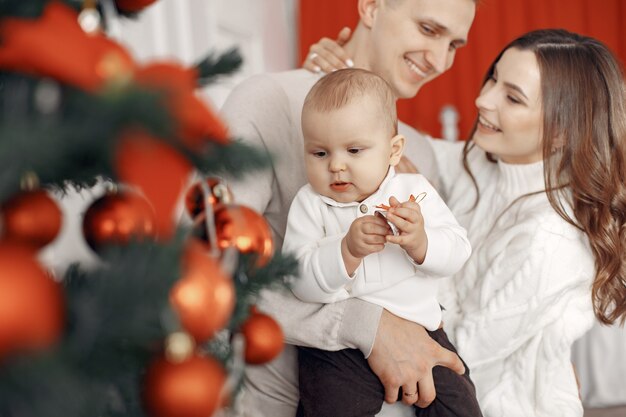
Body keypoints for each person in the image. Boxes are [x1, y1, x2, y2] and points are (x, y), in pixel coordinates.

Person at [302, 28, 626, 416]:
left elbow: (462, 350)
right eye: (493, 78)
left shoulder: (551, 239)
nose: (482, 99)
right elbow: (377, 137)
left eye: (512, 97)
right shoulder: (482, 164)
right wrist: (337, 72)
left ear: (561, 133)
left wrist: (376, 318)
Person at [220, 1, 477, 416]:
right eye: (429, 29)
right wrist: (365, 325)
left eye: (454, 45)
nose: (439, 61)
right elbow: (204, 273)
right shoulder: (268, 101)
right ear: (371, 7)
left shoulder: (420, 156)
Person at [285, 68, 480, 417]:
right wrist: (344, 252)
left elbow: (458, 250)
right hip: (336, 346)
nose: (336, 166)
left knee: (459, 401)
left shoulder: (413, 191)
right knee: (329, 407)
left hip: (420, 329)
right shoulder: (309, 204)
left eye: (354, 150)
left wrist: (421, 242)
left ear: (393, 151)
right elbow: (297, 280)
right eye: (319, 154)